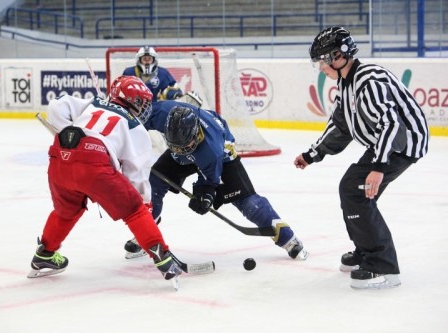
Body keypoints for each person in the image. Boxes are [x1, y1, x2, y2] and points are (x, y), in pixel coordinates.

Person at [294, 27, 429, 289]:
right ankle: (366, 251)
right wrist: (313, 154)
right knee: (358, 191)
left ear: (338, 56)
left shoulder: (368, 80)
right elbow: (340, 126)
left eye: (322, 61)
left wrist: (378, 167)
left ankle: (383, 267)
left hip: (402, 143)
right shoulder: (346, 83)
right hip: (386, 143)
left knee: (355, 189)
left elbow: (391, 124)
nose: (321, 67)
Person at [27, 75, 182, 288]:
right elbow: (136, 175)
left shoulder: (94, 103)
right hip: (94, 166)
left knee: (66, 211)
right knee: (135, 210)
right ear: (135, 101)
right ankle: (164, 259)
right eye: (143, 102)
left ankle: (44, 254)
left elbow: (56, 106)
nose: (146, 107)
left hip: (60, 156)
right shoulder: (136, 127)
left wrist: (69, 132)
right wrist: (145, 205)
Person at [124, 100, 309, 261]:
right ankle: (147, 232)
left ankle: (288, 239)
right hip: (185, 150)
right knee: (152, 184)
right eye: (175, 145)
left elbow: (209, 181)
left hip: (222, 157)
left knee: (247, 201)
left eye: (185, 146)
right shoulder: (164, 113)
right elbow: (134, 122)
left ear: (196, 135)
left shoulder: (211, 152)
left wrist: (204, 196)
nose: (182, 150)